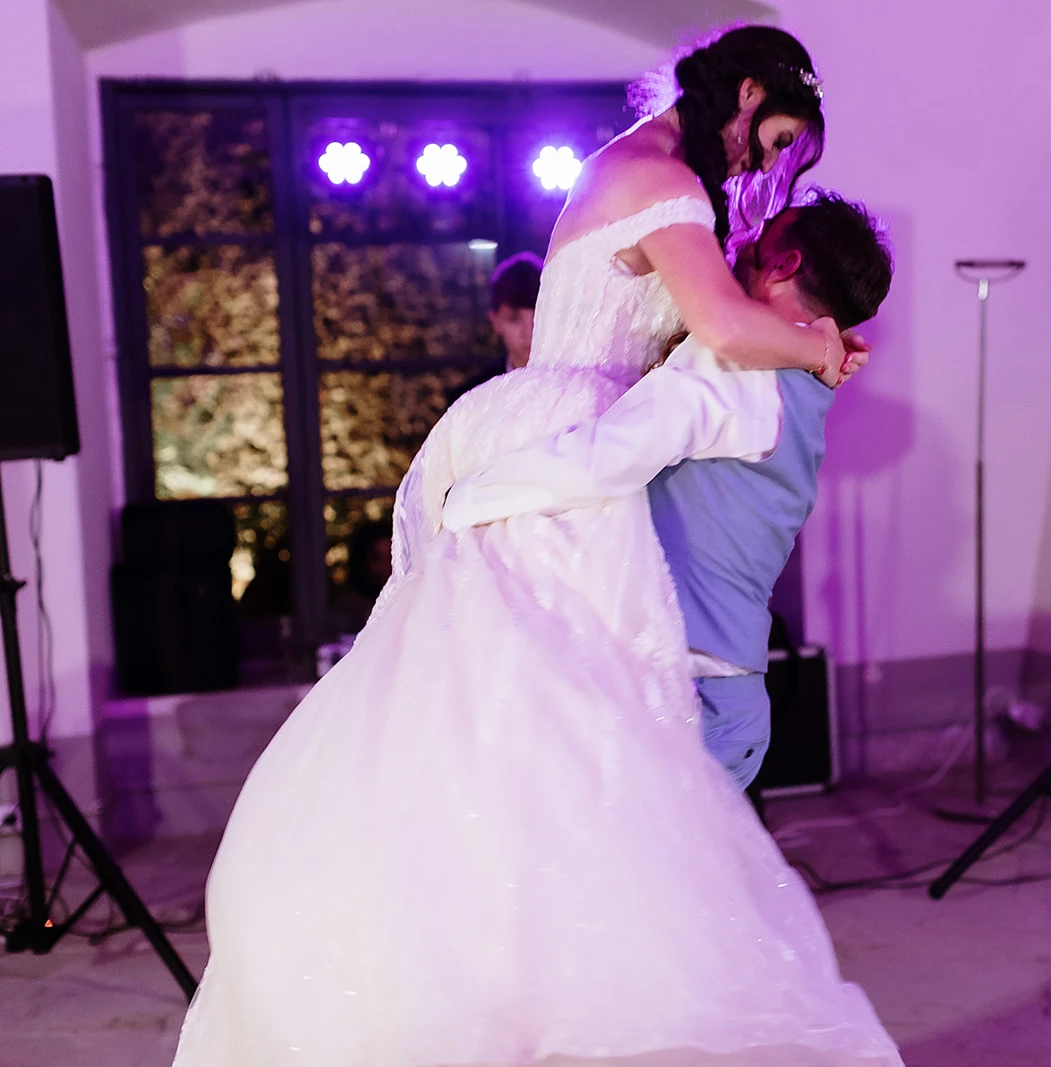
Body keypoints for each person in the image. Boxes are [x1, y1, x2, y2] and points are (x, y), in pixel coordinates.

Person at [171, 25, 900, 1067]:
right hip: (569, 454)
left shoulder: (653, 179)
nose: (764, 172)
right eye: (777, 139)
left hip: (564, 447)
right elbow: (726, 336)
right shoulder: (673, 192)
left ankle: (519, 989)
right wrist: (820, 343)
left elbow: (704, 354)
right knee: (554, 757)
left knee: (536, 751)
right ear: (745, 94)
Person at [445, 193, 892, 793]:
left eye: (759, 240)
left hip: (686, 697)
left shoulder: (739, 367)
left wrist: (467, 498)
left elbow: (603, 461)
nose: (737, 247)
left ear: (784, 264)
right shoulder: (808, 383)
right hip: (727, 695)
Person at [447, 252, 544, 406]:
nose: (529, 331)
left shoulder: (575, 391)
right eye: (514, 318)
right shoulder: (469, 399)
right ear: (496, 322)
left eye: (538, 316)